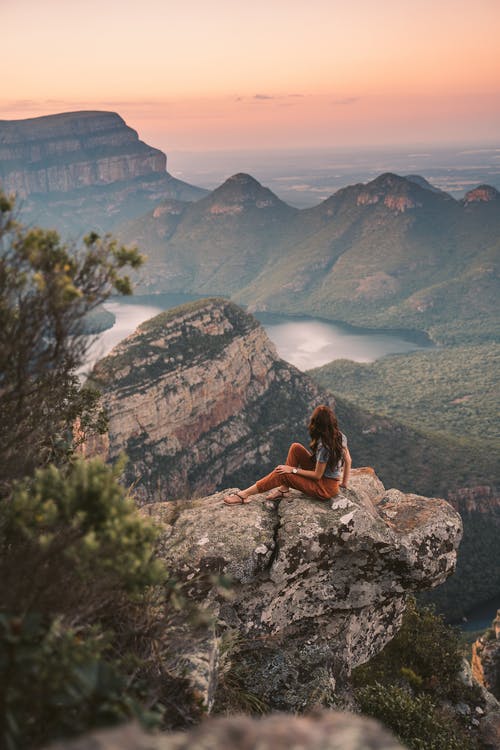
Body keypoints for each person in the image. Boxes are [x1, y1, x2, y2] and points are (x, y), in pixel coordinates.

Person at [224, 404, 351, 505]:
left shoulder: (324, 446)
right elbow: (348, 460)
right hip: (328, 482)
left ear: (317, 425)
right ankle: (284, 489)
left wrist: (293, 470)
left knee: (283, 473)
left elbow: (317, 476)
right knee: (295, 447)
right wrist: (344, 483)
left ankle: (243, 495)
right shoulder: (340, 435)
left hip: (324, 488)